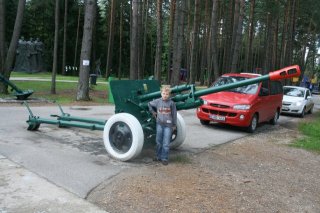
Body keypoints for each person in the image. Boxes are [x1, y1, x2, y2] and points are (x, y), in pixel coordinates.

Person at [148, 86, 177, 165]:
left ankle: (164, 158)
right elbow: (149, 104)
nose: (165, 95)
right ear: (161, 94)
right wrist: (153, 112)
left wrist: (174, 125)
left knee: (166, 143)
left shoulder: (171, 103)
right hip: (159, 124)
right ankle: (158, 157)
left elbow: (174, 114)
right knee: (158, 141)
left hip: (168, 125)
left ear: (169, 95)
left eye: (167, 94)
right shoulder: (157, 102)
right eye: (163, 93)